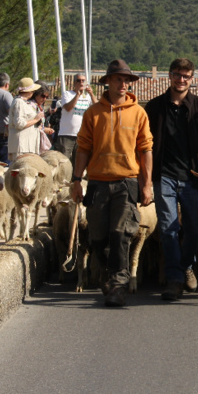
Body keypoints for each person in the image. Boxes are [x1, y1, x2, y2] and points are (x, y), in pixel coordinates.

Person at [71, 59, 153, 307]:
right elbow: (83, 147)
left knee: (121, 234)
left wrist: (146, 184)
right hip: (97, 182)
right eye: (118, 79)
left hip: (126, 182)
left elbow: (146, 149)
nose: (123, 84)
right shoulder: (93, 113)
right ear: (107, 82)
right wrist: (76, 180)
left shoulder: (138, 112)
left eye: (126, 80)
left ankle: (119, 283)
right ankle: (107, 274)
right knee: (97, 236)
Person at [144, 58, 198, 301]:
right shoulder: (155, 107)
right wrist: (145, 180)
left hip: (194, 177)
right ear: (170, 75)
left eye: (186, 76)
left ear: (191, 79)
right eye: (177, 75)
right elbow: (144, 145)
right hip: (164, 175)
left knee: (196, 227)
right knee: (168, 228)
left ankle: (186, 265)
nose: (181, 80)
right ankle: (175, 279)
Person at [54, 73, 93, 164]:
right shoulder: (67, 94)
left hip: (81, 135)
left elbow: (97, 107)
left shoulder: (88, 96)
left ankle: (75, 178)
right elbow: (68, 108)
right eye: (78, 80)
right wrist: (77, 95)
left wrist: (91, 94)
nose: (81, 82)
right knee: (63, 162)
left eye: (83, 81)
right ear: (74, 83)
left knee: (78, 162)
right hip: (67, 134)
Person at [8, 77, 46, 159]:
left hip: (27, 145)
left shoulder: (24, 102)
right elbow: (19, 123)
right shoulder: (19, 102)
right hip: (22, 146)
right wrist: (36, 120)